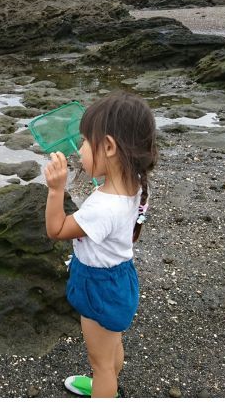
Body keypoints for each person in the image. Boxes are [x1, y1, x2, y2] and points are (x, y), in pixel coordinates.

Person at [43, 91, 157, 397]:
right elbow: (108, 196)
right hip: (119, 280)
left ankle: (105, 388)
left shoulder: (102, 208)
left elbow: (56, 229)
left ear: (108, 146)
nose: (79, 149)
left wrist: (56, 190)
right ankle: (108, 384)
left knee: (100, 362)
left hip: (98, 287)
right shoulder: (134, 183)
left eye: (83, 141)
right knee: (112, 343)